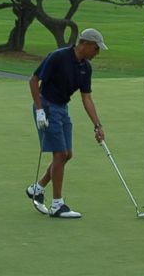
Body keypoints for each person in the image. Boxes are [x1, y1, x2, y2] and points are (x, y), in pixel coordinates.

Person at [26, 28, 108, 218]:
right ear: (85, 44)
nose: (97, 53)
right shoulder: (58, 56)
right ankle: (57, 205)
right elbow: (34, 80)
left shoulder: (85, 67)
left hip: (62, 108)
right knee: (60, 154)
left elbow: (86, 98)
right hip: (46, 105)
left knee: (67, 154)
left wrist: (98, 125)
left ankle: (37, 188)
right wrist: (39, 110)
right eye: (96, 49)